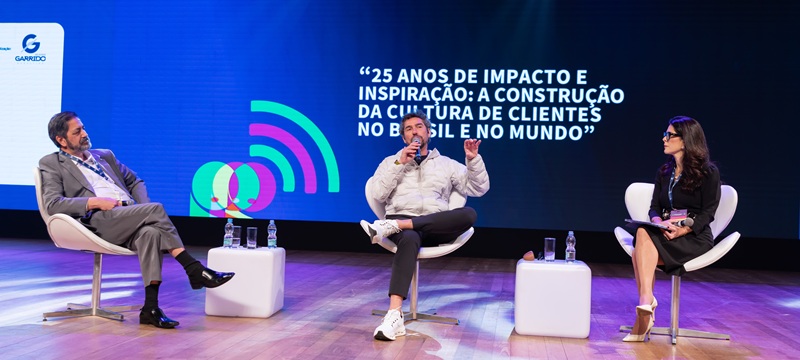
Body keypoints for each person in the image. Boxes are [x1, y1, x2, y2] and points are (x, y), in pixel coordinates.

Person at [38, 111, 236, 329]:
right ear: (61, 140)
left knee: (151, 233)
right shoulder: (52, 163)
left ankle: (150, 308)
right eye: (77, 132)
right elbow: (53, 203)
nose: (84, 133)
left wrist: (142, 209)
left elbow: (135, 180)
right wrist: (94, 202)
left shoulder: (104, 155)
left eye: (83, 128)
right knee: (156, 209)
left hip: (126, 214)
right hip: (97, 221)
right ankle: (193, 269)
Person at [359, 110, 490, 341]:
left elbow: (478, 189)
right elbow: (378, 193)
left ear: (428, 132)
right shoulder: (391, 161)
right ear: (403, 138)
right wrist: (400, 162)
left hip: (433, 225)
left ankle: (396, 225)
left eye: (419, 127)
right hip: (402, 229)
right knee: (409, 237)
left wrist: (472, 160)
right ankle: (394, 314)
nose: (414, 132)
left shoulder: (447, 164)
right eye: (408, 129)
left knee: (469, 214)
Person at [624, 116, 721, 342]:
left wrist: (683, 229)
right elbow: (654, 207)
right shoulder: (664, 172)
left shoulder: (708, 173)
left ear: (685, 140)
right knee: (642, 232)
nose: (664, 139)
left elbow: (708, 213)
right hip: (665, 231)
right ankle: (646, 303)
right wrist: (658, 221)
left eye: (669, 135)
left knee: (640, 248)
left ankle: (645, 310)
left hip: (693, 236)